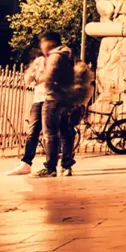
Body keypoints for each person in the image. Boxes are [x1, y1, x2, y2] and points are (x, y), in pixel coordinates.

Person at [7, 39, 52, 176]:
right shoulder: (38, 62)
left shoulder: (57, 61)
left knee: (50, 134)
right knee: (32, 133)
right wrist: (33, 72)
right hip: (38, 99)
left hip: (51, 100)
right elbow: (28, 80)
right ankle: (26, 163)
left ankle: (54, 165)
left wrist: (45, 74)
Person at [33, 32, 75, 178]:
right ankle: (66, 166)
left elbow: (48, 76)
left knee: (50, 134)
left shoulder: (55, 57)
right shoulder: (67, 55)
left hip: (53, 98)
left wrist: (38, 77)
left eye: (42, 43)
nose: (41, 47)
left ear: (49, 43)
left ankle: (50, 168)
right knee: (65, 132)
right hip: (66, 98)